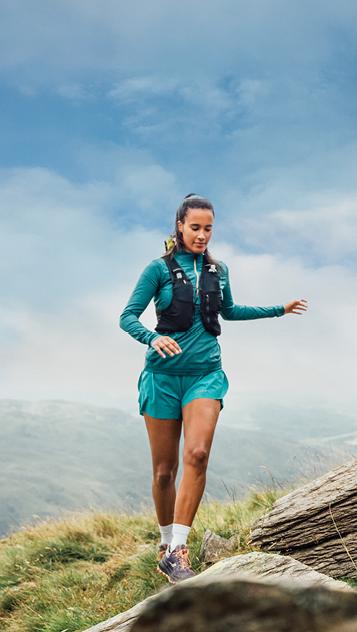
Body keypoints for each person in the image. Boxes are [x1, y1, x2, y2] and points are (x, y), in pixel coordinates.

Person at [120, 194, 307, 583]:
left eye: (208, 228)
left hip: (206, 373)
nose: (202, 235)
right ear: (179, 227)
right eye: (195, 227)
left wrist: (278, 309)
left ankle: (178, 551)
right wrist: (152, 338)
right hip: (162, 378)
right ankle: (165, 541)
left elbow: (229, 311)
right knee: (163, 472)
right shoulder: (157, 270)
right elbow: (127, 317)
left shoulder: (218, 270)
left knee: (199, 454)